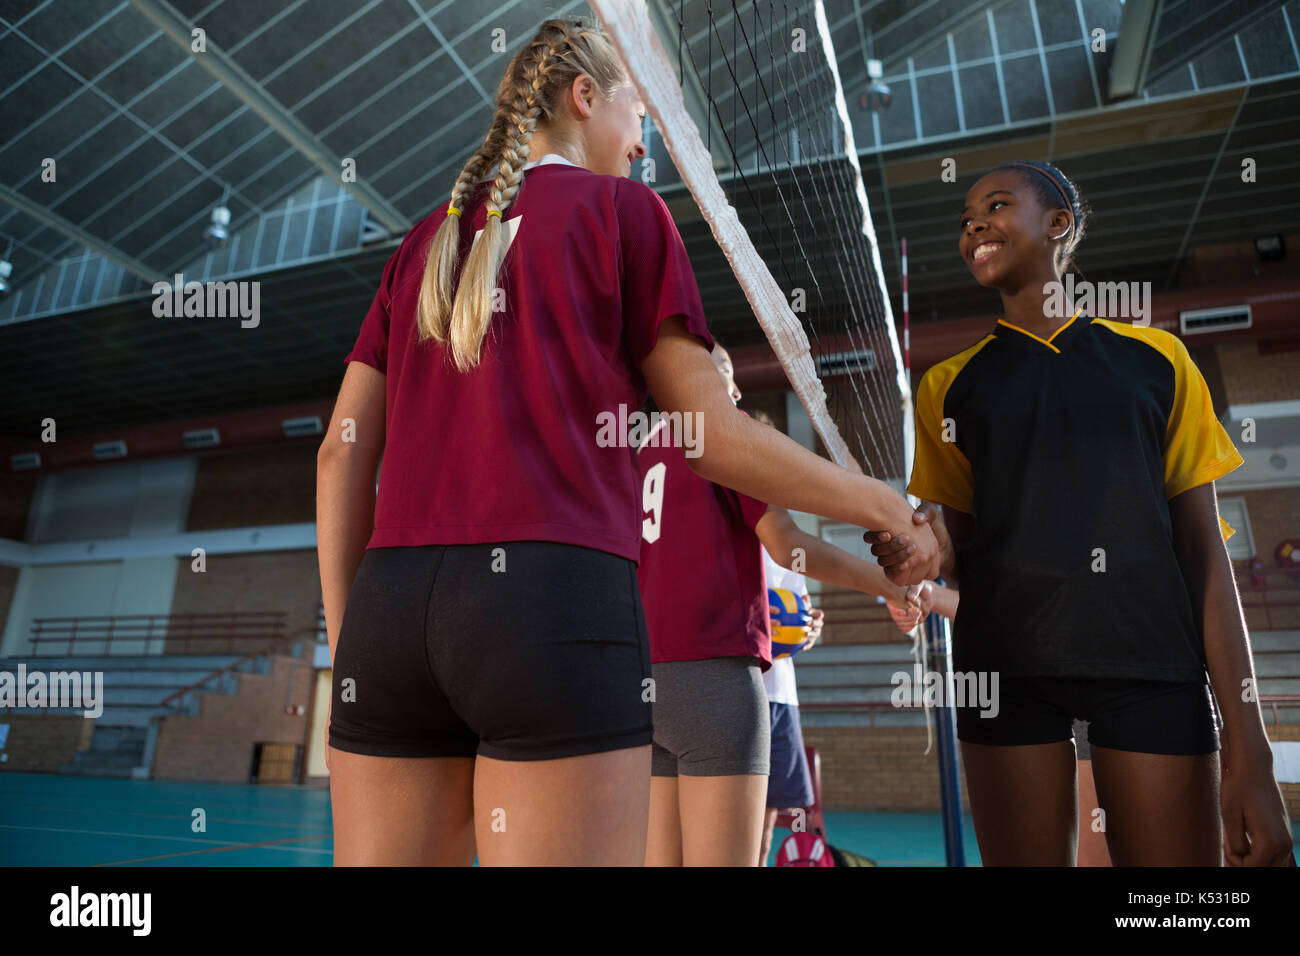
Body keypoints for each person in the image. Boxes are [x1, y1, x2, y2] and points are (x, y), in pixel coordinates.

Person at [317, 16, 939, 866]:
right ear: (585, 98)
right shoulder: (623, 212)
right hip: (548, 606)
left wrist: (357, 641)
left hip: (388, 612)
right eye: (636, 113)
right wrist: (887, 505)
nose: (643, 145)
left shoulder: (425, 240)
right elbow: (710, 437)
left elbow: (340, 453)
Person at [869, 160, 1293, 865]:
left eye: (996, 206)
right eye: (965, 217)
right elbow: (959, 548)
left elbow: (1203, 555)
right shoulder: (947, 387)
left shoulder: (1159, 361)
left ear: (1059, 223)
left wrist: (1251, 753)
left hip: (1152, 665)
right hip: (1004, 670)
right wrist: (923, 555)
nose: (973, 224)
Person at [638, 346, 927, 866]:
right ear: (695, 379)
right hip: (714, 677)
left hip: (645, 685)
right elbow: (787, 543)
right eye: (727, 372)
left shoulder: (638, 452)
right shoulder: (724, 436)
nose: (738, 390)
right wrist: (884, 583)